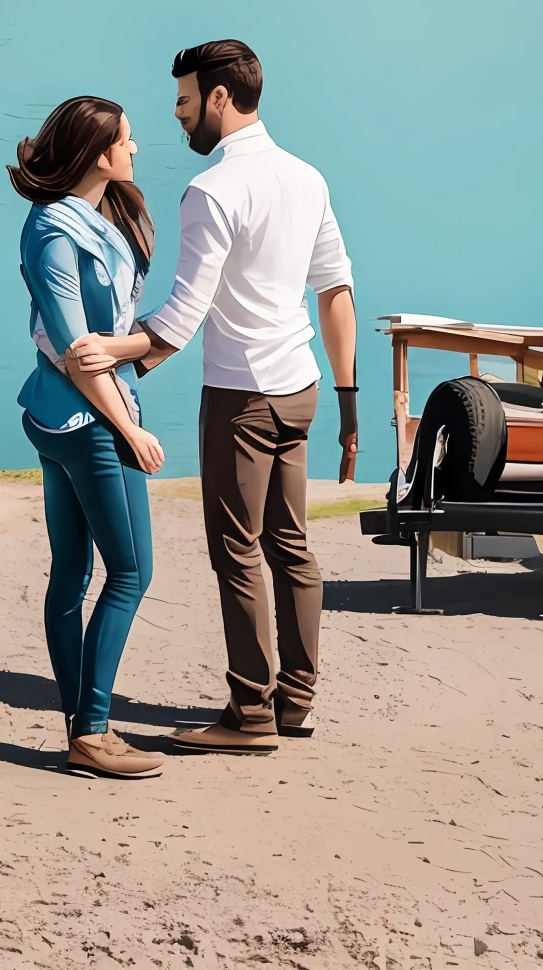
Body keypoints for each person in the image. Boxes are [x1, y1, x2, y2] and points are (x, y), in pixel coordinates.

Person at [67, 39, 357, 753]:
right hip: (302, 389)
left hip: (242, 398)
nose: (177, 117)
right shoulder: (306, 177)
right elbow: (337, 291)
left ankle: (250, 715)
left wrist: (114, 352)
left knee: (237, 551)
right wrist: (350, 405)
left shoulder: (212, 191)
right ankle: (297, 700)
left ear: (220, 99)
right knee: (292, 544)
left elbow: (181, 317)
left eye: (185, 101)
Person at [11, 96, 166, 780]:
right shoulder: (53, 231)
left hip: (72, 415)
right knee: (130, 572)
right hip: (86, 421)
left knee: (73, 575)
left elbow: (100, 342)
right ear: (100, 153)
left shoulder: (97, 217)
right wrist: (129, 429)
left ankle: (81, 726)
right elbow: (79, 354)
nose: (135, 150)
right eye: (127, 141)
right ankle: (94, 731)